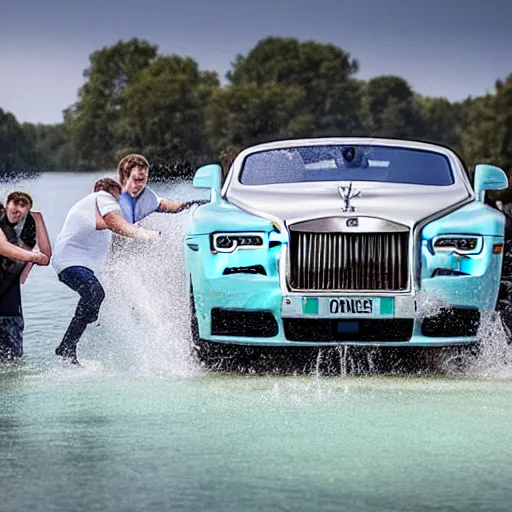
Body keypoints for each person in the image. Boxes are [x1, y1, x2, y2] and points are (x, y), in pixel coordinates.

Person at [52, 177, 159, 364]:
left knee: (94, 302)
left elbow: (112, 226)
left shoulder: (89, 209)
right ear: (114, 193)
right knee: (95, 294)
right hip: (71, 262)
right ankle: (67, 345)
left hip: (72, 264)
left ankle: (76, 338)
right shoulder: (103, 196)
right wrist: (144, 235)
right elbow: (115, 222)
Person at [0, 191, 50, 360]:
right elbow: (3, 247)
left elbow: (46, 256)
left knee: (12, 362)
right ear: (6, 205)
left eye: (23, 206)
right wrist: (33, 256)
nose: (17, 210)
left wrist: (38, 219)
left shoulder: (25, 234)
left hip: (10, 308)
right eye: (15, 204)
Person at [116, 154, 206, 224]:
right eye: (137, 180)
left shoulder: (146, 197)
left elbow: (172, 207)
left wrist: (195, 204)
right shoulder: (110, 197)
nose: (141, 185)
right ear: (124, 178)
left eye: (143, 180)